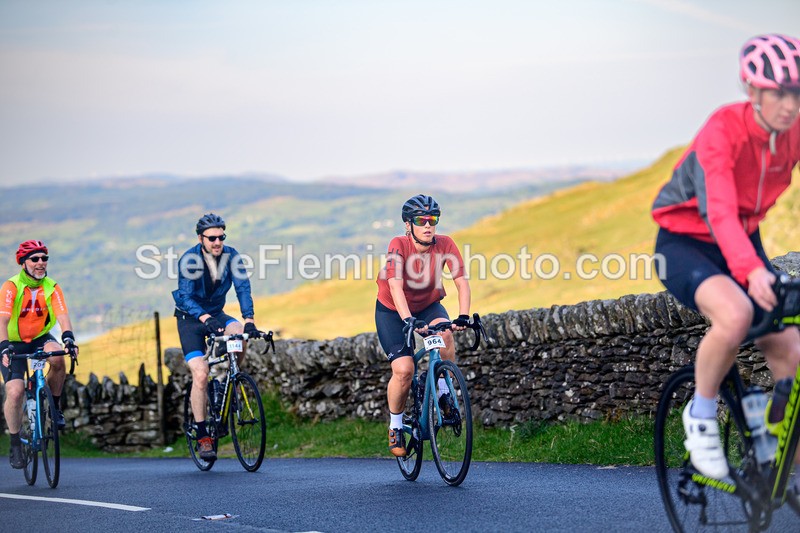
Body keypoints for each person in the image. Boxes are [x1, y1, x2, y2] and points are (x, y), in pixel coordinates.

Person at [652, 34, 800, 482]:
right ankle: (700, 420)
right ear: (753, 91)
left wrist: (752, 264)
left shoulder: (792, 133)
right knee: (735, 314)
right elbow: (718, 210)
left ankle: (771, 443)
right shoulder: (724, 129)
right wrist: (752, 270)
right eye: (779, 92)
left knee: (792, 352)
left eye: (797, 92)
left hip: (742, 237)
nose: (790, 104)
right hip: (684, 242)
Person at [375, 194, 472, 456]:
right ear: (409, 225)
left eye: (433, 220)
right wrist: (407, 319)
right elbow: (394, 285)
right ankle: (395, 425)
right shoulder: (398, 244)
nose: (428, 225)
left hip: (429, 306)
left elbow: (461, 280)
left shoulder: (445, 244)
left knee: (446, 337)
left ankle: (442, 393)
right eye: (421, 220)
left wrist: (463, 315)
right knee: (404, 370)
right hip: (393, 311)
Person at [173, 213, 262, 461]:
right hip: (190, 320)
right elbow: (186, 297)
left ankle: (226, 383)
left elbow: (243, 286)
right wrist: (205, 319)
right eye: (212, 238)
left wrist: (250, 320)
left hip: (216, 314)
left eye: (221, 236)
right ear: (201, 238)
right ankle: (203, 435)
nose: (217, 242)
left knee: (240, 337)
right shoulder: (190, 259)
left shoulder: (232, 256)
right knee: (200, 373)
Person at [1, 240, 78, 469]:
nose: (41, 263)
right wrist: (4, 345)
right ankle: (15, 442)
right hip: (12, 342)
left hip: (39, 338)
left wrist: (68, 338)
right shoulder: (11, 287)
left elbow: (63, 316)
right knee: (14, 392)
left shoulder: (52, 286)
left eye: (44, 258)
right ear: (23, 263)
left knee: (58, 356)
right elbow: (2, 320)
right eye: (35, 259)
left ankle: (54, 407)